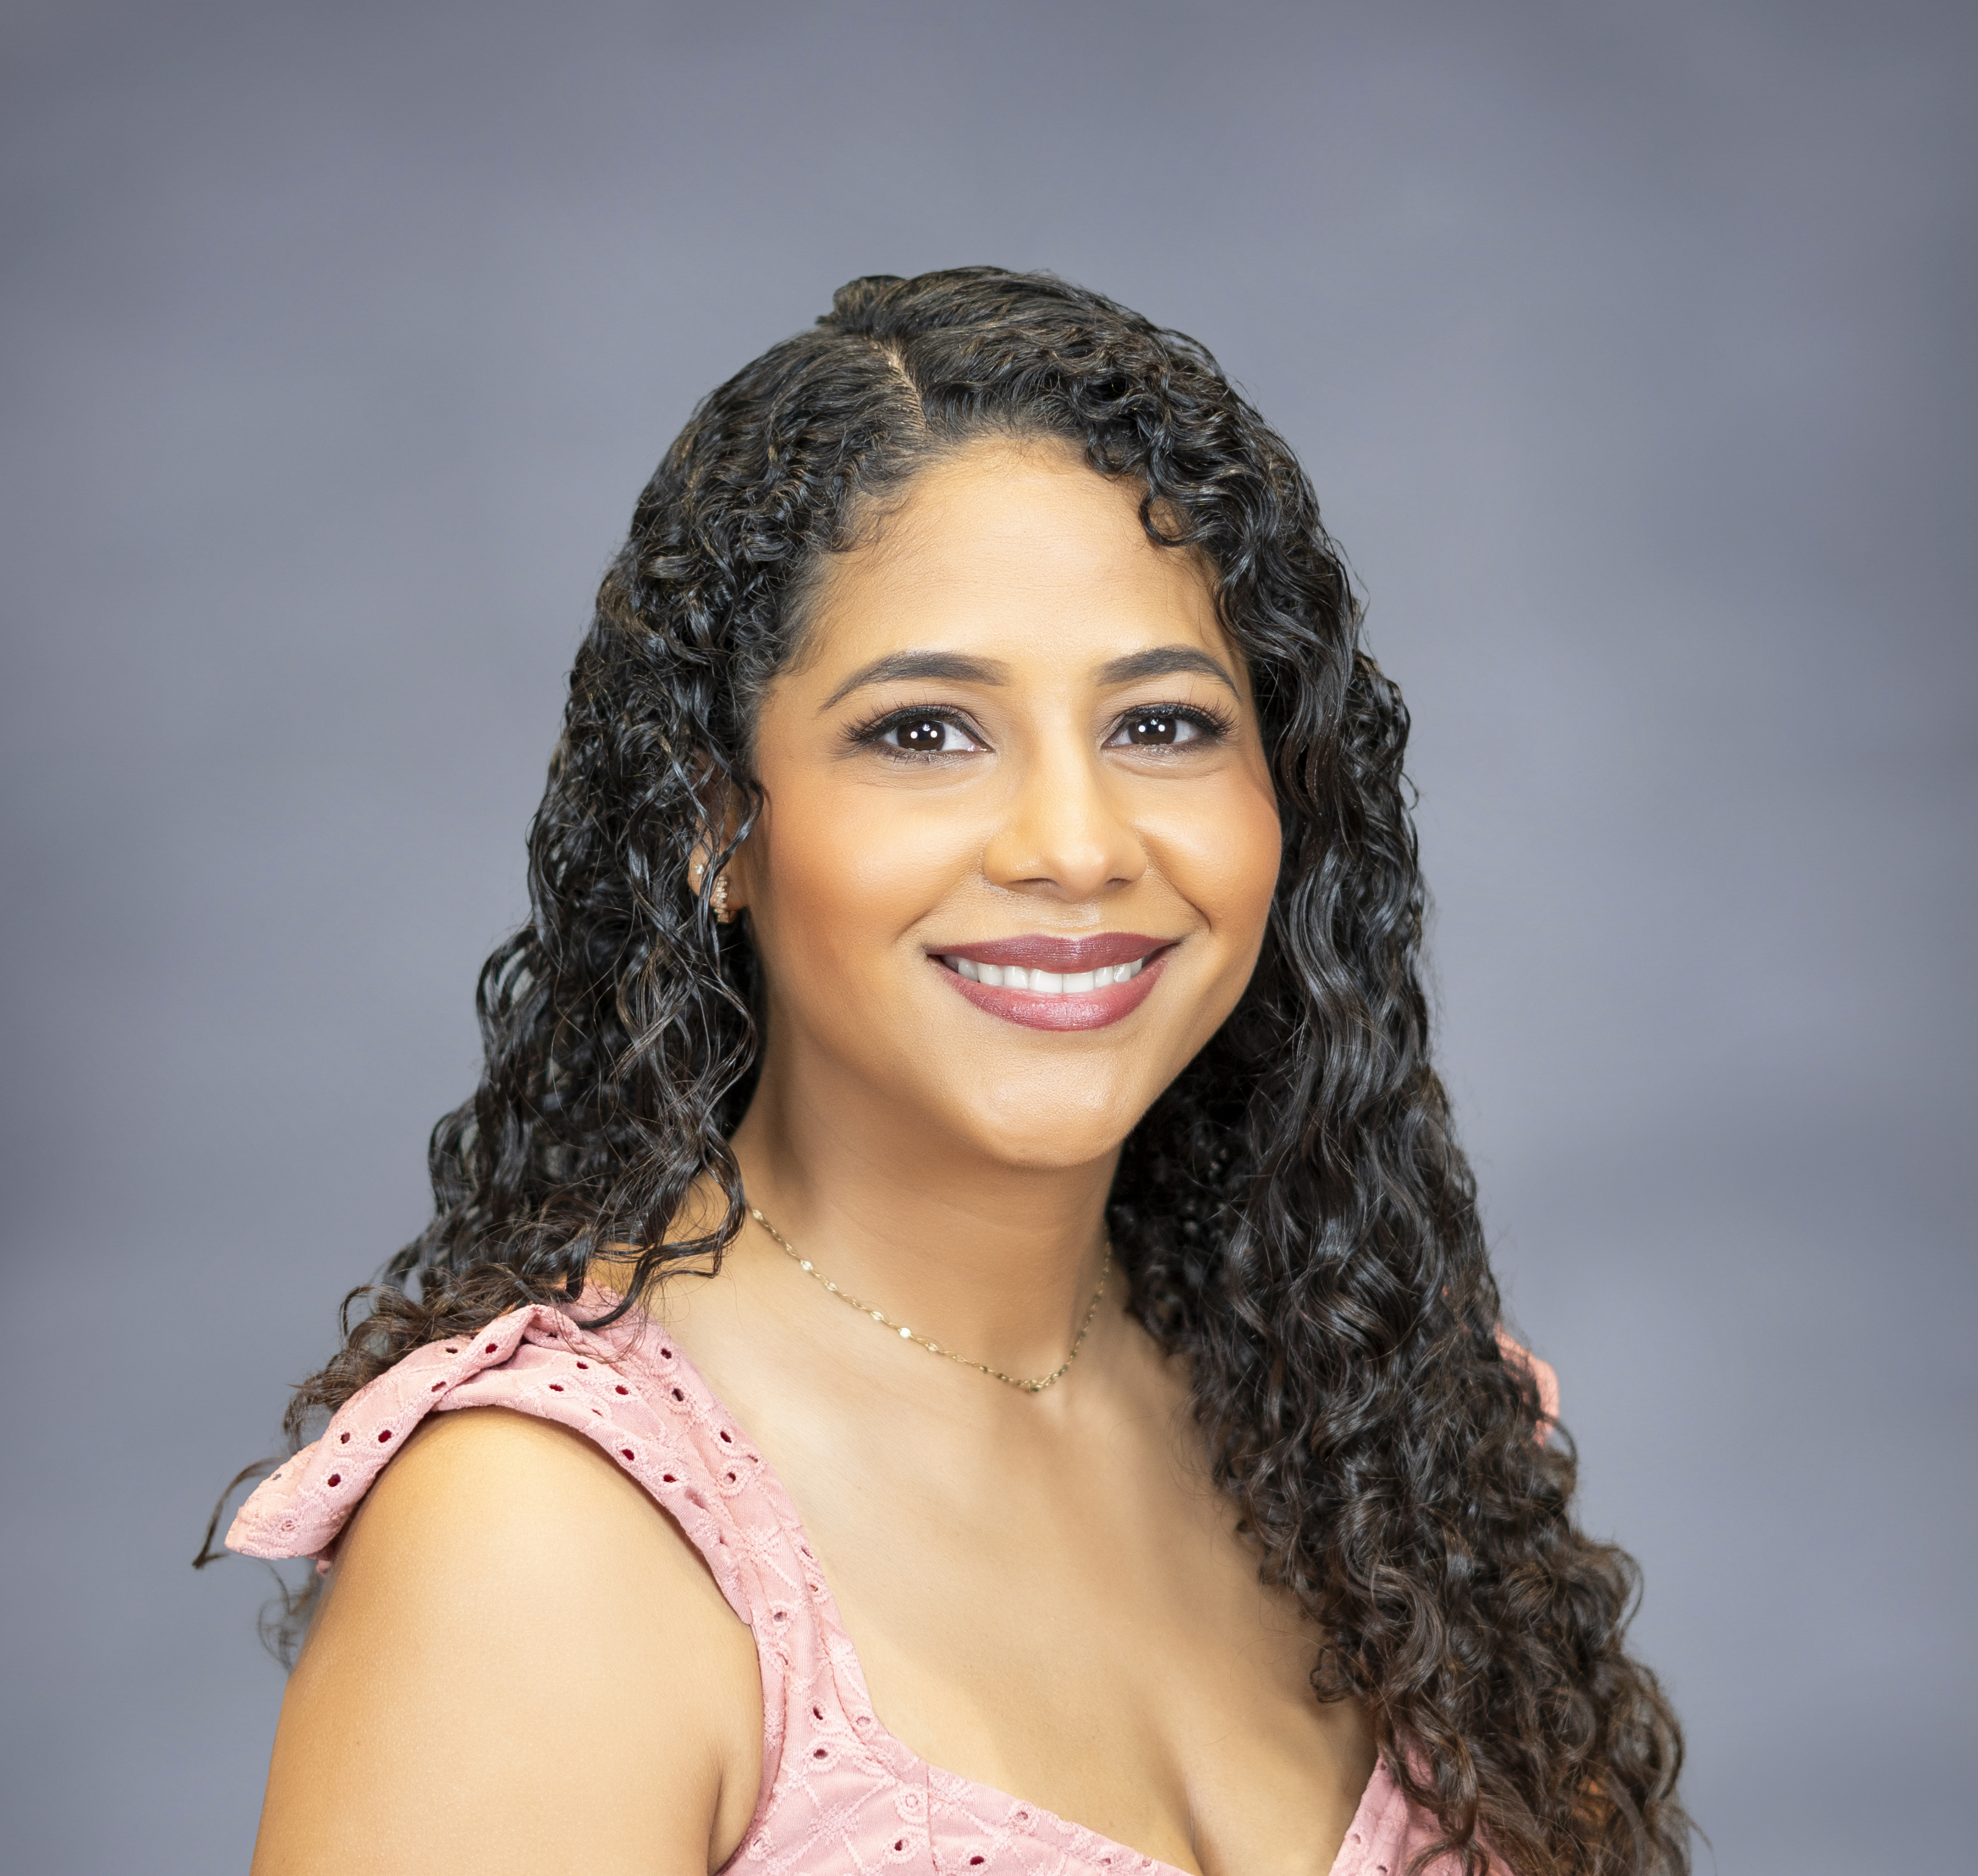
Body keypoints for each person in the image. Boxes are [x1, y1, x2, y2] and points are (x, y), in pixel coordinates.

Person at [216, 269, 1688, 1875]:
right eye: (925, 731)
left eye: (1164, 725)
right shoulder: (545, 1538)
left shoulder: (1377, 1420)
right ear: (716, 825)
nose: (1075, 844)